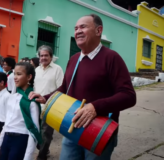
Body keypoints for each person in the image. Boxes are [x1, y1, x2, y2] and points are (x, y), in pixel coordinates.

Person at [29, 14, 136, 160]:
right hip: (71, 128)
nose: (78, 31)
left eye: (83, 27)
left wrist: (95, 107)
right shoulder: (74, 59)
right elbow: (65, 88)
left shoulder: (112, 58)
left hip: (98, 132)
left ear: (99, 31)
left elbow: (129, 96)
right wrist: (46, 97)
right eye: (76, 28)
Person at [0, 62, 42, 160]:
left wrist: (28, 157)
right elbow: (7, 123)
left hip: (20, 140)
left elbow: (33, 131)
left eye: (19, 74)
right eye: (14, 73)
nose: (15, 77)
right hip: (6, 138)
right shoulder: (12, 97)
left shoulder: (31, 101)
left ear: (29, 77)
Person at [35, 45, 64, 160]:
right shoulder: (36, 70)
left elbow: (61, 88)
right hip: (37, 106)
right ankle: (44, 150)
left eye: (46, 55)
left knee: (46, 133)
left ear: (51, 57)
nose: (43, 58)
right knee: (37, 131)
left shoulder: (57, 69)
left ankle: (42, 156)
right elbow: (34, 87)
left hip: (51, 106)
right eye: (41, 55)